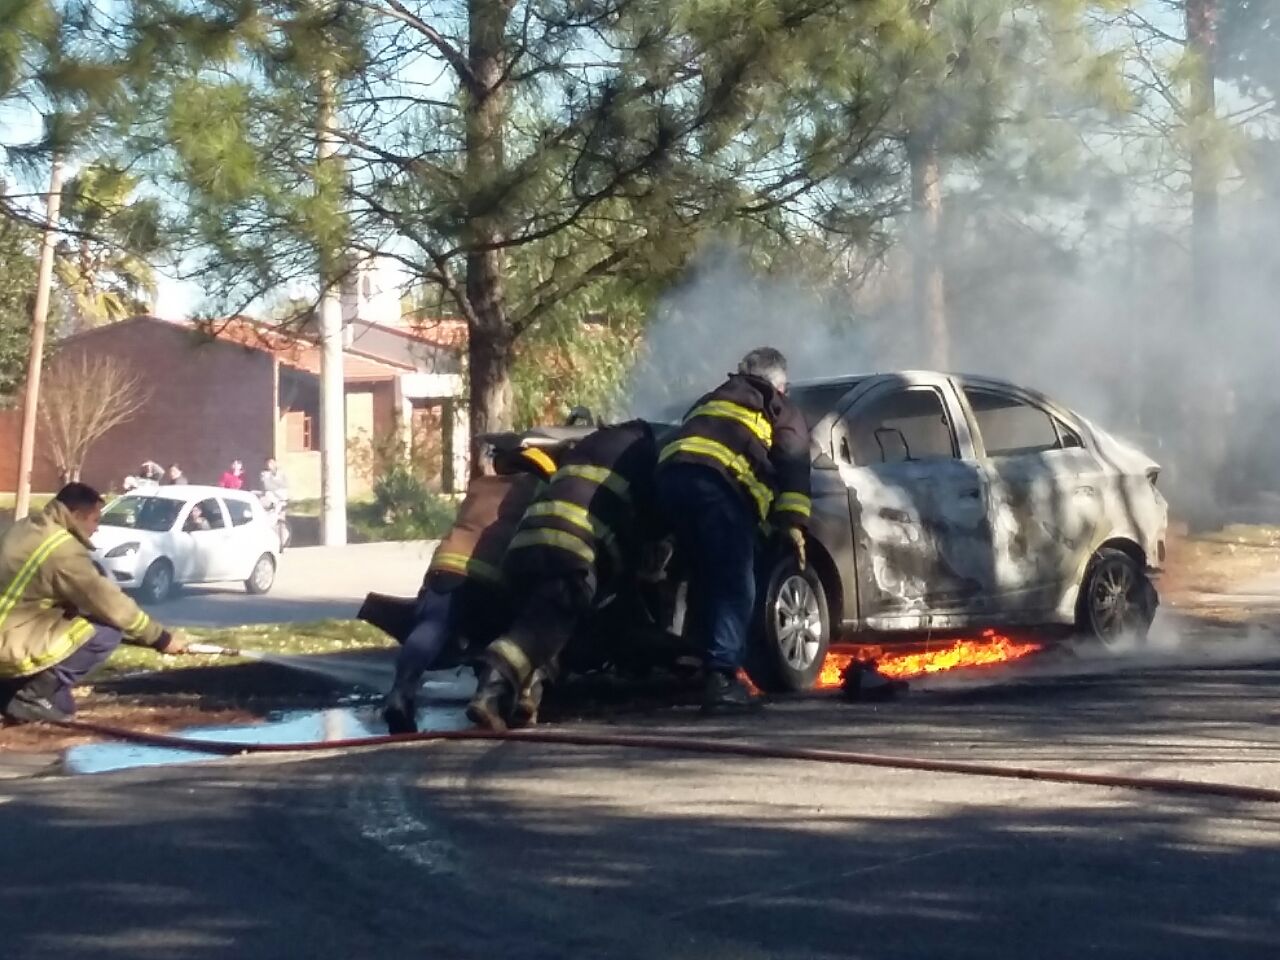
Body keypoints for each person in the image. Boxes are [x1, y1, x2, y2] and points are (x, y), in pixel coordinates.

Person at [466, 420, 658, 731]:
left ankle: (526, 703)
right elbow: (649, 517)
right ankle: (487, 693)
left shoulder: (583, 450)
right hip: (569, 550)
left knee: (545, 626)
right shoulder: (642, 454)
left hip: (521, 549)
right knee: (535, 634)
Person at [655, 347, 812, 714]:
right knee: (734, 582)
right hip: (719, 488)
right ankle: (722, 678)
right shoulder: (777, 405)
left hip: (670, 483)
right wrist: (793, 524)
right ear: (780, 385)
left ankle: (698, 665)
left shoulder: (710, 399)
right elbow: (793, 459)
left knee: (702, 576)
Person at [378, 443, 559, 734]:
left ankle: (400, 694)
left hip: (444, 568)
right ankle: (494, 699)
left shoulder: (481, 486)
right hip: (488, 576)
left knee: (431, 625)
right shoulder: (538, 492)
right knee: (518, 635)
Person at [0, 483, 191, 723]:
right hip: (8, 642)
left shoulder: (25, 528)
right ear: (77, 516)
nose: (96, 528)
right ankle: (31, 695)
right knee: (107, 632)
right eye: (94, 520)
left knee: (63, 708)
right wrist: (161, 638)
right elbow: (113, 606)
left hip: (11, 631)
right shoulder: (63, 552)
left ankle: (12, 689)